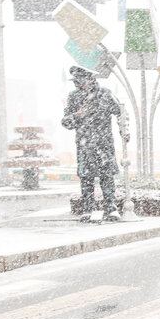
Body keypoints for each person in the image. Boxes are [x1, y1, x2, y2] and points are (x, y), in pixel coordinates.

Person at [61, 66, 121, 222]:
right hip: (85, 144)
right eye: (75, 81)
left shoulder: (105, 94)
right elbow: (66, 122)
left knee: (106, 176)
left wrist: (123, 129)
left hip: (104, 142)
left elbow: (121, 110)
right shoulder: (74, 97)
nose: (76, 84)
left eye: (78, 80)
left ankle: (110, 208)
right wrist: (78, 115)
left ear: (88, 79)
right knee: (86, 178)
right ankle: (88, 209)